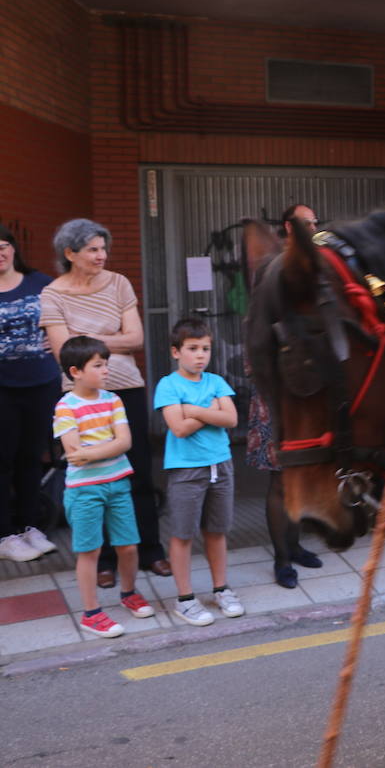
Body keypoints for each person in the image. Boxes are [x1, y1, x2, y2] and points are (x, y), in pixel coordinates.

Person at [40, 219, 170, 585]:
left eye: (103, 248)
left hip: (126, 388)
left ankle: (150, 550)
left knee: (138, 470)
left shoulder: (118, 283)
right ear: (70, 254)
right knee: (92, 477)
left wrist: (88, 340)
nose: (102, 256)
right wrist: (111, 338)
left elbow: (137, 338)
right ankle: (104, 560)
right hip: (80, 396)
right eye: (93, 249)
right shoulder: (52, 294)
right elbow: (65, 354)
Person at [52, 337, 155, 638]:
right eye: (98, 365)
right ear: (76, 371)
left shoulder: (113, 400)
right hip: (84, 490)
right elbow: (74, 453)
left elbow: (126, 442)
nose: (106, 370)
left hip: (118, 483)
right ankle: (91, 612)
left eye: (106, 364)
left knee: (128, 546)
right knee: (90, 551)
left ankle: (129, 593)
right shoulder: (65, 406)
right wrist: (110, 447)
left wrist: (94, 451)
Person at [245, 203, 323, 588]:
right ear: (289, 228)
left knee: (303, 476)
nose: (314, 228)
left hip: (308, 388)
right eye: (308, 223)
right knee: (280, 480)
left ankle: (295, 547)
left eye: (316, 223)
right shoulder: (271, 268)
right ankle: (281, 560)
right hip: (276, 387)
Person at [153, 317, 244, 626]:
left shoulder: (216, 381)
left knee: (217, 530)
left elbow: (231, 419)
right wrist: (211, 412)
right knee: (182, 533)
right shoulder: (168, 384)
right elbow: (178, 428)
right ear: (176, 352)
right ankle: (186, 599)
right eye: (192, 348)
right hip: (185, 470)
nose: (200, 355)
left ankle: (221, 588)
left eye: (205, 348)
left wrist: (193, 410)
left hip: (221, 464)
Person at [0, 223, 63, 562]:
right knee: (2, 460)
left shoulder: (41, 283)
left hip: (41, 382)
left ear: (13, 249)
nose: (0, 252)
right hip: (2, 389)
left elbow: (60, 324)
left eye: (3, 245)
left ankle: (29, 527)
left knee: (31, 458)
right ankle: (4, 535)